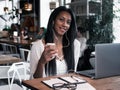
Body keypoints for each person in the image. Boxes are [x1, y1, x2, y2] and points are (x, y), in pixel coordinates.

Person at [30, 6, 80, 78]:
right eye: (61, 20)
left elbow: (72, 74)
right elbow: (34, 80)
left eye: (68, 22)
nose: (65, 24)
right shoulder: (38, 46)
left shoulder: (75, 45)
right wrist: (42, 62)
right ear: (53, 21)